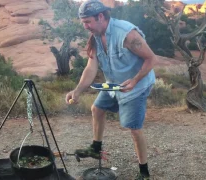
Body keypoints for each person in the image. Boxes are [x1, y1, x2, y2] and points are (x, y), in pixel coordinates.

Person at [65, 0, 156, 179]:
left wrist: (135, 80)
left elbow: (151, 59)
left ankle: (144, 172)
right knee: (97, 109)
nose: (85, 26)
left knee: (133, 127)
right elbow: (91, 68)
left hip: (136, 86)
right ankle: (96, 148)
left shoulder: (127, 34)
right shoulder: (95, 38)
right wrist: (77, 91)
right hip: (113, 84)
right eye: (83, 22)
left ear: (100, 16)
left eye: (87, 22)